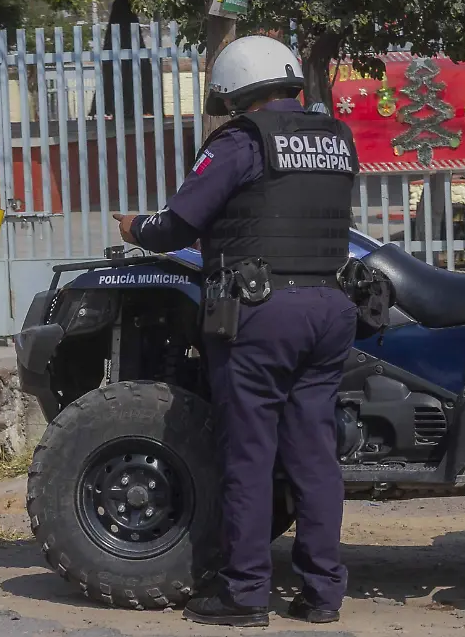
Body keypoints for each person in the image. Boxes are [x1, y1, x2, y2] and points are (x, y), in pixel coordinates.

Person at [112, 35, 359, 627]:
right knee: (314, 455)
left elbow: (178, 224)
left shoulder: (241, 142)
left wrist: (134, 227)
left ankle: (244, 595)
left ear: (235, 88)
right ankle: (322, 594)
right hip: (330, 306)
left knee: (249, 454)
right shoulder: (335, 138)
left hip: (262, 313)